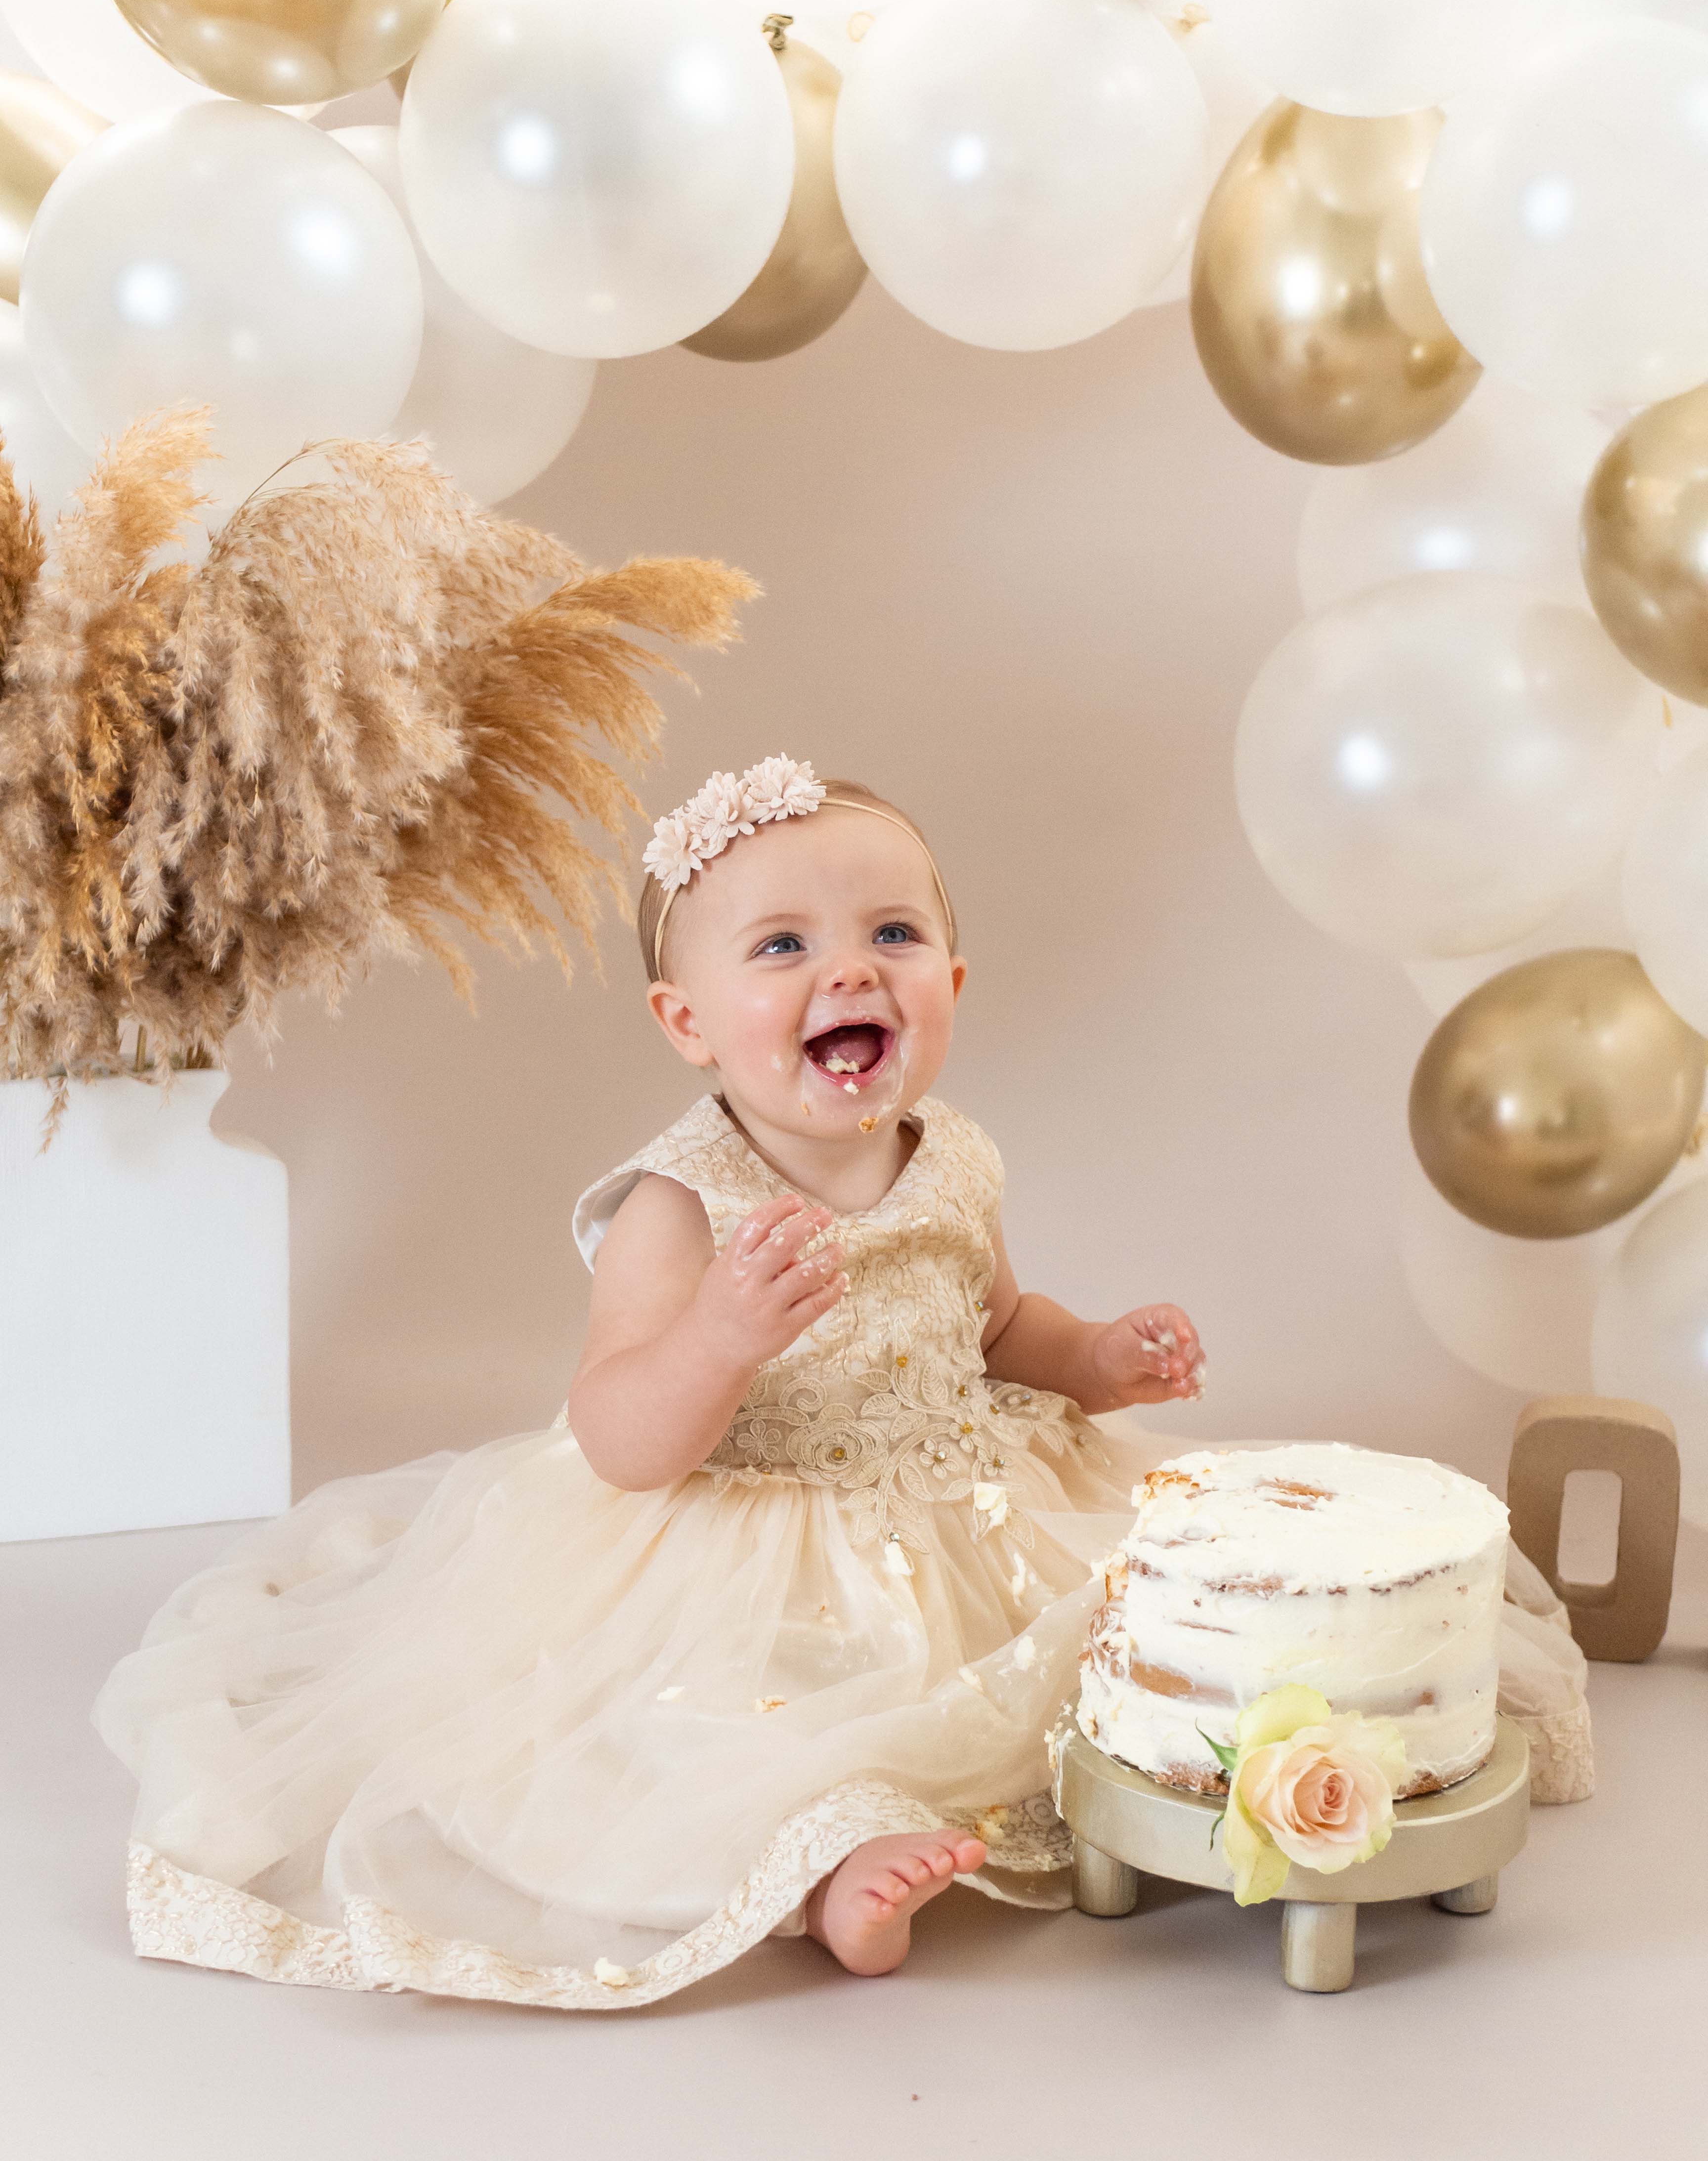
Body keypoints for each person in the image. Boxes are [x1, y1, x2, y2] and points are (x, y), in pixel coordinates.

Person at [94, 756, 1586, 2013]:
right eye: (782, 949)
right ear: (689, 1026)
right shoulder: (679, 1205)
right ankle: (820, 1874)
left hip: (967, 1503)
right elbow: (619, 1438)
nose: (847, 970)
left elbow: (995, 1324)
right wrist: (716, 1342)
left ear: (948, 979)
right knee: (728, 1722)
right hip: (743, 1535)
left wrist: (1093, 1359)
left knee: (1133, 1648)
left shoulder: (957, 1158)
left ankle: (1076, 1796)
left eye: (888, 932)